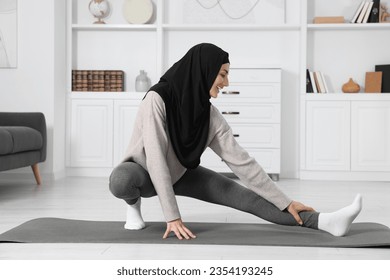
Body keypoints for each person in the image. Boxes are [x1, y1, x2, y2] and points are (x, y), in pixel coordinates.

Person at [109, 43, 362, 240]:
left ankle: (326, 222)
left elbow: (243, 163)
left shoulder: (209, 116)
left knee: (247, 198)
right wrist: (172, 217)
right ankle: (133, 206)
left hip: (180, 173)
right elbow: (154, 159)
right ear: (204, 71)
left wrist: (284, 201)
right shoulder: (157, 99)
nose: (227, 83)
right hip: (143, 173)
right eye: (222, 74)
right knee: (121, 180)